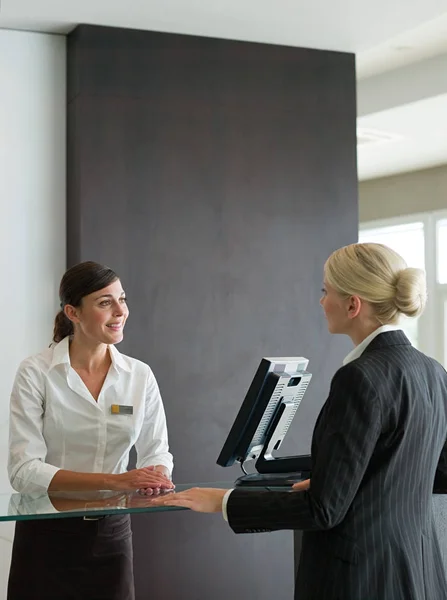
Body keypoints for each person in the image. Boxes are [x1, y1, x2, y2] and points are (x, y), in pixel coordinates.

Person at [154, 243, 447, 600]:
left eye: (326, 292)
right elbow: (434, 471)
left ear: (353, 305)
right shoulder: (433, 371)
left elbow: (324, 511)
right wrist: (344, 481)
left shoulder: (360, 378)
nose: (321, 302)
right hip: (417, 572)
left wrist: (222, 501)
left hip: (357, 578)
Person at [7, 261, 174, 600]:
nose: (120, 311)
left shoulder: (139, 376)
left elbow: (157, 451)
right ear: (73, 312)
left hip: (111, 537)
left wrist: (157, 476)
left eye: (122, 299)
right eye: (104, 302)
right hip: (45, 538)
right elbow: (23, 472)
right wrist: (116, 481)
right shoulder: (36, 373)